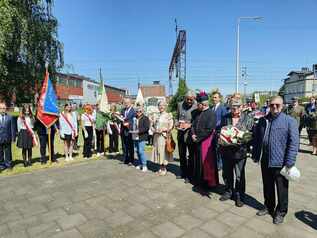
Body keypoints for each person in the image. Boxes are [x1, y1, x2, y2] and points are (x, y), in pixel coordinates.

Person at [252, 96, 299, 224]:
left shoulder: (289, 121)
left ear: (282, 105)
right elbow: (257, 139)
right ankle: (268, 206)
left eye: (277, 105)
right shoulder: (263, 120)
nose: (274, 107)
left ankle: (281, 212)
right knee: (267, 186)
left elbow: (294, 143)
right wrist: (255, 155)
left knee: (281, 189)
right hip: (265, 160)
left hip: (281, 162)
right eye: (272, 105)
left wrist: (290, 161)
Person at [218, 99, 254, 207]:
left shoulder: (248, 118)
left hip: (240, 152)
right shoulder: (226, 117)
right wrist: (221, 138)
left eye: (238, 106)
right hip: (226, 151)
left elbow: (251, 135)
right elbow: (220, 131)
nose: (235, 109)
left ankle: (239, 195)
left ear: (242, 106)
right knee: (227, 173)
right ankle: (228, 191)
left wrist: (242, 139)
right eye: (233, 107)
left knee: (239, 176)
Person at [191, 91, 218, 190]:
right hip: (198, 141)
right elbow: (193, 125)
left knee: (206, 163)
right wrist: (193, 134)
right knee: (198, 162)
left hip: (206, 142)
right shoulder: (198, 113)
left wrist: (198, 138)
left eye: (198, 104)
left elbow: (209, 130)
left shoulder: (211, 114)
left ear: (204, 104)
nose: (197, 105)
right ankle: (199, 181)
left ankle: (207, 183)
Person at [176, 90, 197, 183]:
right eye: (187, 99)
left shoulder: (197, 105)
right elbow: (177, 117)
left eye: (191, 100)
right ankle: (183, 172)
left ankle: (190, 175)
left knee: (191, 156)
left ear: (194, 99)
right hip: (180, 134)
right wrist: (177, 124)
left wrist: (189, 125)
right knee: (181, 155)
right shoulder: (180, 105)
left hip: (190, 135)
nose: (189, 101)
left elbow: (198, 121)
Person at [151, 101, 174, 176]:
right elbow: (152, 125)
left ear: (165, 106)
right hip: (156, 136)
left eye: (162, 105)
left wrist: (164, 129)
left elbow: (171, 126)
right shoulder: (156, 115)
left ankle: (164, 168)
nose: (161, 107)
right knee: (158, 151)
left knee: (163, 151)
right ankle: (160, 167)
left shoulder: (168, 115)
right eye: (159, 105)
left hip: (163, 136)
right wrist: (153, 129)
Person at [211, 91, 228, 172]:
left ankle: (220, 165)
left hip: (219, 132)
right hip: (212, 133)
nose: (213, 99)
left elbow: (224, 121)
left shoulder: (222, 108)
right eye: (213, 97)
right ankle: (216, 163)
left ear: (219, 98)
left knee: (219, 149)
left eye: (215, 97)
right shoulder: (212, 108)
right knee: (214, 149)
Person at [132, 106, 150, 172]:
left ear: (142, 111)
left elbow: (146, 128)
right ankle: (140, 164)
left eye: (140, 111)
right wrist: (131, 129)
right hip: (135, 136)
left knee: (141, 151)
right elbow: (132, 126)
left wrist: (138, 131)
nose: (138, 112)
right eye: (137, 111)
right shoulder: (134, 118)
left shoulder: (145, 118)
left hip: (142, 136)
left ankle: (145, 165)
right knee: (137, 150)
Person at [0, 101, 15, 171]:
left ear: (6, 109)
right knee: (0, 153)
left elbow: (12, 128)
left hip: (7, 138)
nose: (3, 109)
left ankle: (8, 165)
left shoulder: (10, 117)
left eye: (4, 108)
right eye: (1, 108)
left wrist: (13, 138)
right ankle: (2, 165)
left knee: (8, 152)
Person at [120, 98, 135, 165]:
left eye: (127, 102)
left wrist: (129, 124)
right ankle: (126, 158)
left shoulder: (133, 111)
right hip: (123, 130)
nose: (126, 104)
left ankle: (131, 160)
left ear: (131, 103)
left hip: (130, 131)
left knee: (130, 146)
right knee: (124, 146)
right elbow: (121, 119)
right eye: (125, 103)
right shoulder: (122, 110)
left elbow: (135, 121)